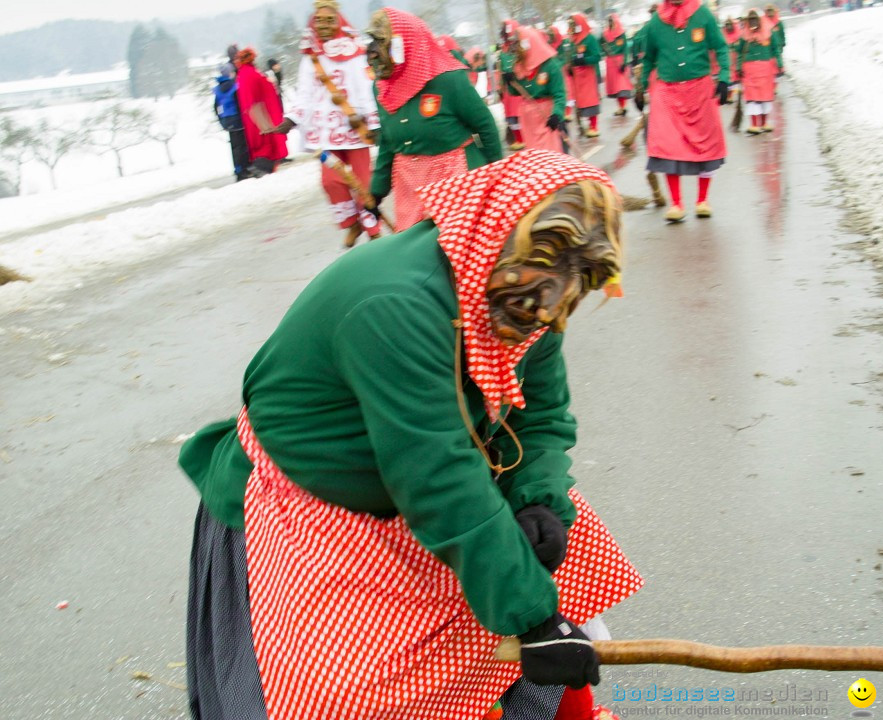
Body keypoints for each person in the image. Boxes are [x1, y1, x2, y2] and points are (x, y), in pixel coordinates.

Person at [180, 148, 642, 720]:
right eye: (530, 301)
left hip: (428, 481)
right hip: (317, 504)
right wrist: (532, 616)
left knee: (551, 570)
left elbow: (541, 416)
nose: (545, 315)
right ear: (498, 237)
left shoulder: (534, 286)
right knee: (350, 693)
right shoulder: (394, 305)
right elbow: (440, 479)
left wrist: (539, 500)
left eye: (565, 297)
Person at [367, 8, 503, 230]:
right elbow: (388, 143)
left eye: (382, 42)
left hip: (457, 182)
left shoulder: (449, 80)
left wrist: (496, 175)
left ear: (405, 44)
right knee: (416, 257)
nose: (372, 52)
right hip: (410, 187)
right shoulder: (382, 88)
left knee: (458, 256)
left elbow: (485, 126)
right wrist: (376, 191)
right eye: (372, 41)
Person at [268, 0, 381, 248]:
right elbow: (305, 94)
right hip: (326, 133)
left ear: (339, 21)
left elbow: (365, 88)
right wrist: (291, 120)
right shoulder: (311, 58)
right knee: (330, 181)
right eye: (319, 21)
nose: (324, 26)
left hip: (355, 128)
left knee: (365, 182)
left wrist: (372, 120)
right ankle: (352, 222)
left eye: (329, 20)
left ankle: (372, 225)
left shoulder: (355, 51)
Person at [636, 0, 731, 222]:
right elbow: (648, 58)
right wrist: (640, 87)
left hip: (700, 89)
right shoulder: (655, 23)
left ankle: (702, 200)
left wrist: (724, 78)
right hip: (667, 92)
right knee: (669, 145)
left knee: (705, 145)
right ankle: (676, 204)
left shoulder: (703, 15)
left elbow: (721, 47)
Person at [506, 26, 567, 153]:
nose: (516, 48)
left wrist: (557, 114)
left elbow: (559, 94)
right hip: (529, 120)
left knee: (550, 155)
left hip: (545, 117)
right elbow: (516, 92)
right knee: (534, 157)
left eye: (518, 43)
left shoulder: (551, 65)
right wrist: (510, 82)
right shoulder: (520, 65)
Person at [234, 47, 288, 176]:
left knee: (260, 140)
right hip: (260, 111)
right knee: (266, 138)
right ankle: (263, 167)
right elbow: (266, 86)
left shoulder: (242, 74)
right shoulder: (252, 73)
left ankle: (262, 165)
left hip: (251, 113)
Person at [735, 8, 783, 133]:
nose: (752, 23)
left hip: (765, 71)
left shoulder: (769, 33)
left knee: (765, 97)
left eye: (754, 19)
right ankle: (754, 125)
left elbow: (775, 50)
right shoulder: (744, 36)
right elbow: (739, 52)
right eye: (750, 20)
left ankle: (765, 123)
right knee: (752, 98)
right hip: (749, 72)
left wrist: (779, 64)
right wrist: (738, 67)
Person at [567, 13, 602, 138]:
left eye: (574, 24)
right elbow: (571, 55)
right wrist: (571, 65)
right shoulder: (573, 40)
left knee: (590, 99)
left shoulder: (590, 38)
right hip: (577, 76)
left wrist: (584, 60)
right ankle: (584, 124)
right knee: (580, 101)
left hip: (588, 75)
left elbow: (597, 56)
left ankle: (594, 126)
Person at [212, 68, 250, 181]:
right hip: (237, 119)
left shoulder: (217, 90)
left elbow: (215, 107)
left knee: (234, 147)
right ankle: (244, 169)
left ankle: (237, 169)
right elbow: (239, 104)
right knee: (242, 145)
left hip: (226, 121)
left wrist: (221, 120)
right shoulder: (234, 86)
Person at [500, 19, 526, 150]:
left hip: (519, 84)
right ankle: (518, 138)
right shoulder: (503, 49)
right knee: (512, 116)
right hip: (508, 87)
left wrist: (515, 73)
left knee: (520, 113)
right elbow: (501, 67)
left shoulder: (521, 45)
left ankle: (523, 138)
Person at [601, 14, 633, 117]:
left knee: (621, 86)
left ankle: (623, 107)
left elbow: (625, 48)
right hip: (610, 63)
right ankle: (620, 107)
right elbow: (602, 46)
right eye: (610, 21)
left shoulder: (621, 33)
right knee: (615, 87)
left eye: (613, 21)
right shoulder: (605, 34)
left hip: (620, 61)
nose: (611, 23)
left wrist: (625, 62)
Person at [547, 25, 576, 122]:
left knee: (568, 90)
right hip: (556, 70)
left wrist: (566, 64)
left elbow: (568, 55)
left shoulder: (565, 42)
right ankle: (562, 112)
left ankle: (568, 112)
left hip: (564, 69)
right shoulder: (549, 44)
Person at [764, 4, 786, 72]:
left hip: (778, 43)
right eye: (768, 11)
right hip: (769, 43)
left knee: (778, 55)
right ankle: (773, 70)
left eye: (771, 11)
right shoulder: (764, 22)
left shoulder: (779, 23)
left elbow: (782, 33)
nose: (770, 13)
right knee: (771, 57)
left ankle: (780, 69)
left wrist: (783, 42)